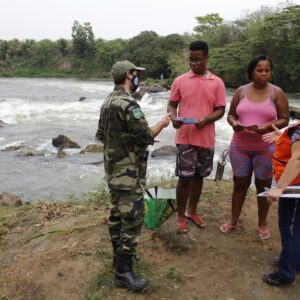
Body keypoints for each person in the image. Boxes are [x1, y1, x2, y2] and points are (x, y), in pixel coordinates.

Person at [96, 60, 170, 291]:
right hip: (129, 173)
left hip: (113, 170)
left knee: (117, 215)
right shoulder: (129, 104)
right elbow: (146, 135)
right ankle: (124, 271)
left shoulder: (108, 101)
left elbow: (102, 135)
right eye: (136, 74)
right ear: (128, 75)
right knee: (134, 218)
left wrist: (128, 140)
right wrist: (163, 122)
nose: (138, 78)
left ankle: (118, 261)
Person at [220, 55, 289, 239]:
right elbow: (231, 115)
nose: (264, 74)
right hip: (240, 147)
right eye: (260, 70)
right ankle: (233, 220)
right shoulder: (241, 92)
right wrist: (234, 123)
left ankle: (262, 223)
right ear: (251, 71)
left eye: (267, 70)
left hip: (265, 148)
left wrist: (267, 126)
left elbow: (284, 119)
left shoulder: (277, 93)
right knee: (239, 184)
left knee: (263, 186)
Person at [167, 40, 226, 234]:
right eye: (191, 60)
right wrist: (173, 118)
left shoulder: (217, 82)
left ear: (206, 58)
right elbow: (172, 104)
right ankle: (181, 216)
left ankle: (193, 211)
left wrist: (206, 120)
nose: (194, 63)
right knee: (184, 178)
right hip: (185, 137)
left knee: (199, 176)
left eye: (198, 60)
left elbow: (220, 110)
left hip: (206, 138)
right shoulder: (180, 80)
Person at [262, 121, 300, 286]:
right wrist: (282, 137)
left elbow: (297, 159)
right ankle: (294, 261)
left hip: (295, 187)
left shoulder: (298, 131)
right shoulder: (295, 132)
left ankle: (285, 273)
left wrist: (278, 188)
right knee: (297, 228)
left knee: (290, 229)